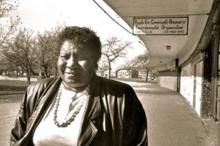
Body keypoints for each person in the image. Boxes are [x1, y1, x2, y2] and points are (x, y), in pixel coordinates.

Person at [10, 26, 148, 146]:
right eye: (65, 56)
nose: (71, 64)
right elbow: (18, 138)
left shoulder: (120, 97)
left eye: (81, 57)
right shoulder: (36, 91)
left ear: (95, 62)